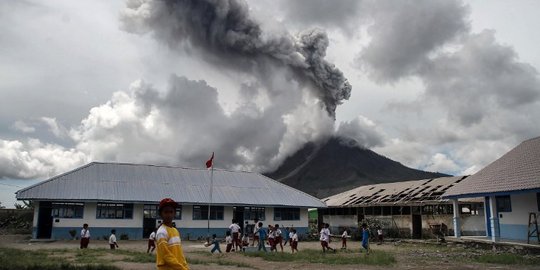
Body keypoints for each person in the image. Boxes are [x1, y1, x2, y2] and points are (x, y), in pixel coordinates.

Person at [156, 198, 189, 270]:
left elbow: (180, 253)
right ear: (160, 214)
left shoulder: (175, 231)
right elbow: (166, 256)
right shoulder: (161, 232)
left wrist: (185, 266)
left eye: (171, 212)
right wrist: (182, 268)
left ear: (174, 213)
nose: (169, 215)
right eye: (166, 212)